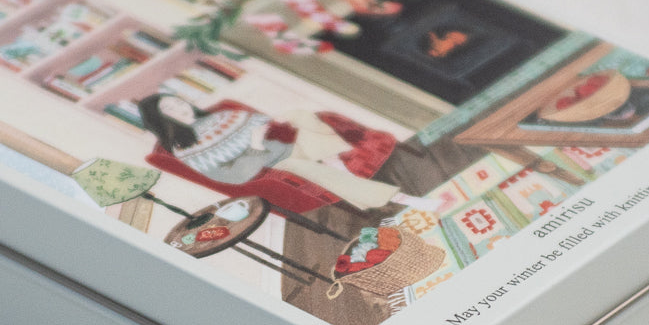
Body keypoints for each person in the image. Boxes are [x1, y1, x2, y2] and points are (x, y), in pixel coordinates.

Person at [137, 94, 433, 212]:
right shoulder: (186, 149)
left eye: (177, 101)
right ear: (163, 119)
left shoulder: (219, 115)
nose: (180, 106)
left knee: (299, 114)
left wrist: (268, 126)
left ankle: (337, 168)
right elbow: (234, 177)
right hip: (277, 163)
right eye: (170, 108)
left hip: (289, 145)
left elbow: (262, 122)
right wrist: (255, 145)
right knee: (311, 169)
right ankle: (403, 199)